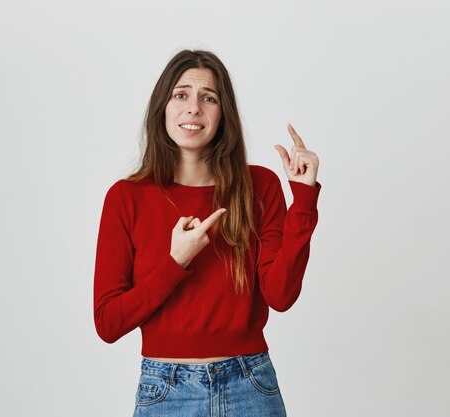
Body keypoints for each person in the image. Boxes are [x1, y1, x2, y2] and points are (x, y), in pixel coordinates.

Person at [92, 49, 321, 416]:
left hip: (251, 384)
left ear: (222, 113)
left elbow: (280, 295)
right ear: (162, 108)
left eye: (208, 98)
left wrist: (304, 200)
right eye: (181, 95)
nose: (193, 108)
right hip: (167, 390)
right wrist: (175, 262)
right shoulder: (127, 197)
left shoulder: (259, 185)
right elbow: (108, 322)